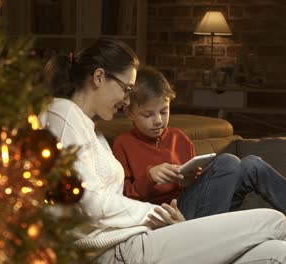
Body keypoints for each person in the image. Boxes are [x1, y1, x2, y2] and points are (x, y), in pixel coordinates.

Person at [40, 37, 286, 264]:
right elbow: (88, 202)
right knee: (274, 221)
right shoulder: (62, 115)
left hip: (140, 236)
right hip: (120, 251)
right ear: (99, 77)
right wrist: (158, 214)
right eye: (126, 89)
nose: (127, 101)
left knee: (276, 252)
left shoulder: (93, 131)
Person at [112, 66, 286, 220]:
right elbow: (121, 199)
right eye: (148, 115)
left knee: (252, 164)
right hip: (169, 213)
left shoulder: (178, 138)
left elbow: (195, 186)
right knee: (228, 161)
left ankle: (216, 229)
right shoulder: (123, 144)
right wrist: (149, 177)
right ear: (129, 113)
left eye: (164, 111)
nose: (158, 121)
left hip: (201, 207)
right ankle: (208, 235)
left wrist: (190, 179)